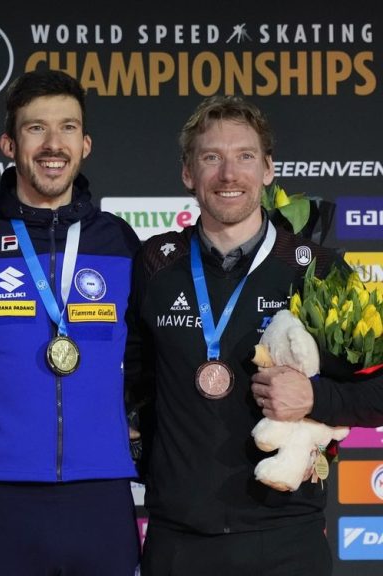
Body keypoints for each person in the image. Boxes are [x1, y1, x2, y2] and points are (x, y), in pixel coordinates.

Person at [125, 94, 383, 576]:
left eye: (245, 156)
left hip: (285, 539)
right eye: (211, 158)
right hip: (177, 539)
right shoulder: (154, 265)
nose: (229, 174)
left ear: (268, 170)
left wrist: (315, 397)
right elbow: (130, 384)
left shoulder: (318, 270)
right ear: (188, 173)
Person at [0, 69, 141, 575]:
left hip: (102, 490)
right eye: (36, 128)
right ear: (9, 142)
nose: (54, 144)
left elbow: (150, 359)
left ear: (86, 143)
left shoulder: (120, 242)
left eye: (68, 127)